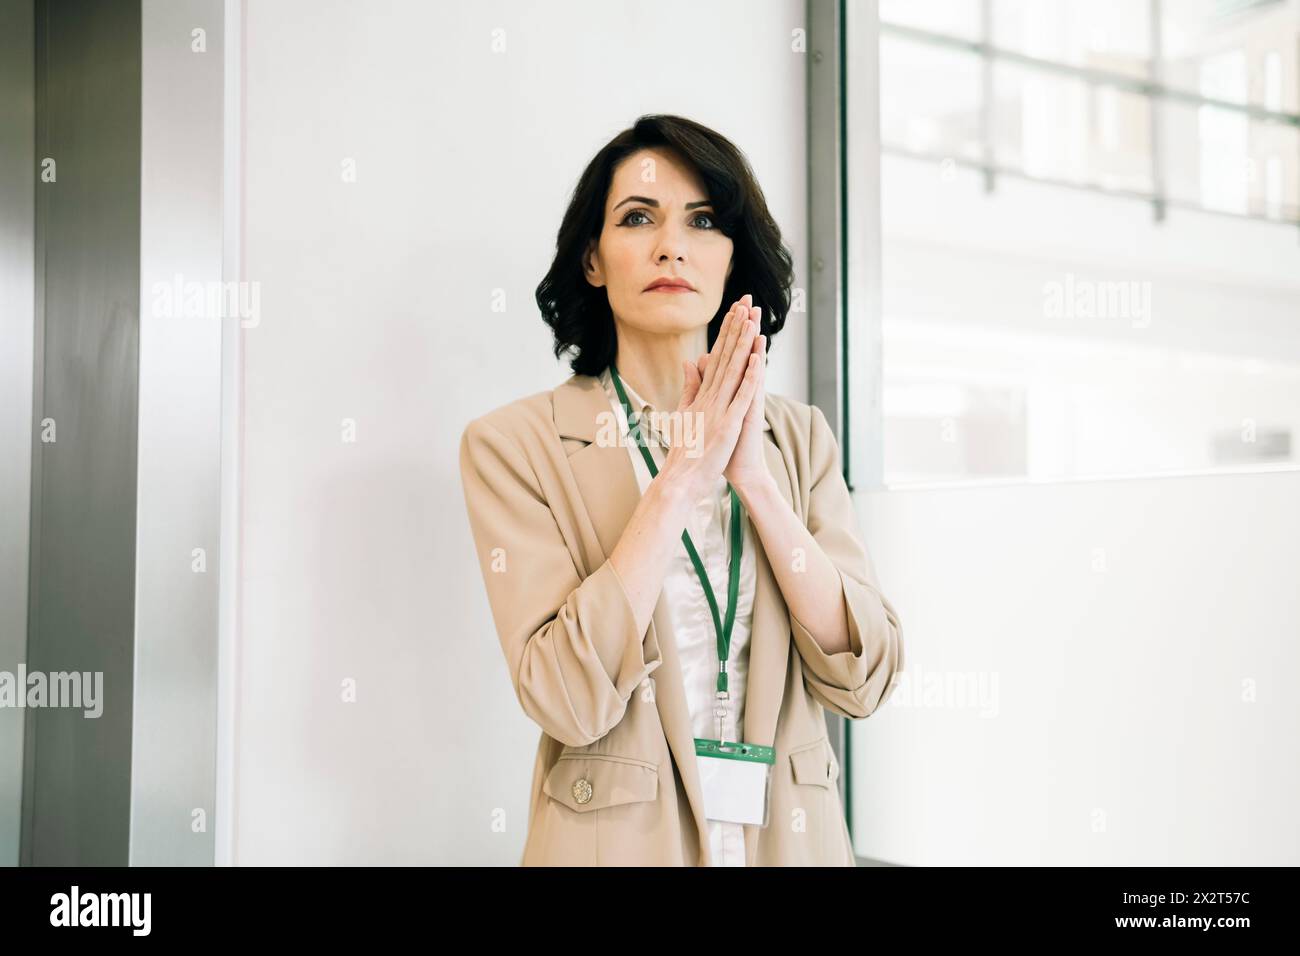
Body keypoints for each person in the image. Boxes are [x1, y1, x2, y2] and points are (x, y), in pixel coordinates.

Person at [458, 114, 904, 866]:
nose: (671, 245)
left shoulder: (801, 440)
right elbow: (564, 692)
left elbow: (866, 673)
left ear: (733, 258)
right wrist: (682, 478)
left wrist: (753, 481)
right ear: (593, 260)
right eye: (638, 218)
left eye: (702, 220)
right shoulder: (511, 446)